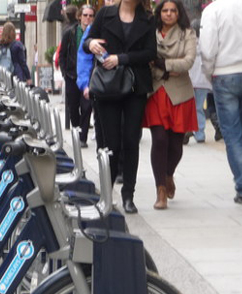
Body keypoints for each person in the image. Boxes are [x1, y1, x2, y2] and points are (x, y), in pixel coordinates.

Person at [84, 0, 156, 214]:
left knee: (131, 141)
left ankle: (128, 195)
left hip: (135, 86)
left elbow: (150, 52)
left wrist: (121, 58)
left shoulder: (147, 19)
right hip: (108, 87)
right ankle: (107, 193)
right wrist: (90, 44)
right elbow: (87, 42)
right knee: (111, 143)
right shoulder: (105, 14)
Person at [142, 0, 197, 210]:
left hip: (180, 94)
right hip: (156, 92)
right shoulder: (150, 32)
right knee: (160, 140)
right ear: (159, 13)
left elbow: (189, 61)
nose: (169, 14)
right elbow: (146, 61)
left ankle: (169, 174)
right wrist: (165, 70)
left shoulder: (187, 33)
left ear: (178, 13)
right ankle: (161, 191)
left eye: (173, 10)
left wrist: (162, 64)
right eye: (165, 10)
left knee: (175, 144)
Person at [200, 0, 242, 205]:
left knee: (232, 134)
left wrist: (209, 72)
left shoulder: (213, 10)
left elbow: (207, 47)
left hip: (224, 72)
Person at [77, 0, 115, 150]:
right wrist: (85, 85)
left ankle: (120, 171)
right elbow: (84, 58)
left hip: (127, 87)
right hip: (102, 85)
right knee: (103, 133)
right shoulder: (96, 27)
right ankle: (106, 167)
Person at [60, 5, 95, 148]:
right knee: (73, 106)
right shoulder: (70, 32)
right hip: (72, 75)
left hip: (88, 77)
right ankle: (76, 128)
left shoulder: (95, 33)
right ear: (79, 16)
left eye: (91, 15)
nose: (88, 18)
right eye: (85, 15)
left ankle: (82, 137)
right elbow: (62, 54)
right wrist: (64, 72)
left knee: (86, 107)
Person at [184, 18, 212, 145]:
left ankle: (188, 129)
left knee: (189, 107)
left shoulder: (188, 44)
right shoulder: (207, 44)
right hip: (203, 82)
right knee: (199, 108)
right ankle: (200, 133)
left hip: (190, 81)